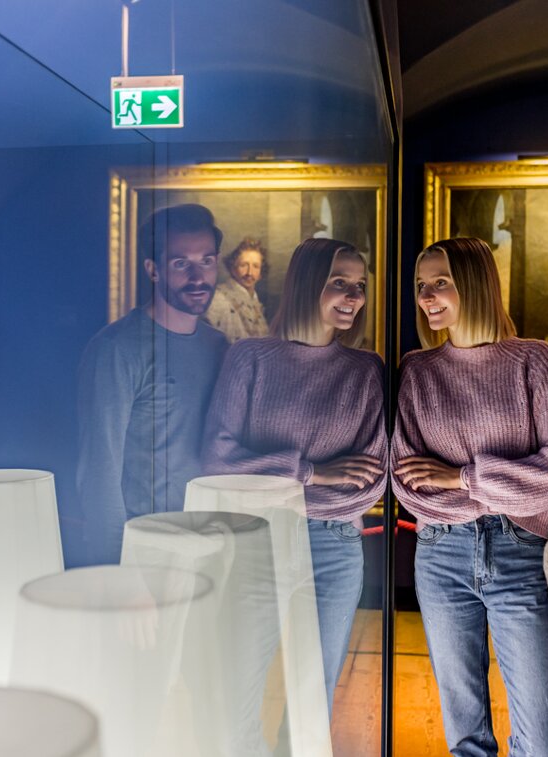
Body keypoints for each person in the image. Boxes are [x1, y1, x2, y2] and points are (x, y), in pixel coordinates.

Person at [391, 237, 548, 756]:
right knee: (465, 732)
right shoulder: (417, 370)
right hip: (440, 553)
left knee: (544, 732)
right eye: (422, 286)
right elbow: (408, 483)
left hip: (520, 553)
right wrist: (504, 489)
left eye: (440, 282)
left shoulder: (535, 361)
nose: (427, 296)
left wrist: (462, 479)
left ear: (476, 281)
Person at [203, 237, 387, 717]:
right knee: (235, 693)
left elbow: (365, 486)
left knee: (313, 700)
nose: (354, 297)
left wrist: (273, 481)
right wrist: (312, 472)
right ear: (308, 284)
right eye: (340, 283)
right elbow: (218, 461)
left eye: (360, 286)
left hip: (335, 549)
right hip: (256, 541)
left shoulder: (367, 370)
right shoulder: (251, 358)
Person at [77, 204, 228, 564]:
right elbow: (100, 468)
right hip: (142, 547)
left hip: (209, 543)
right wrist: (116, 565)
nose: (197, 276)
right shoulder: (117, 349)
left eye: (206, 261)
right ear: (153, 269)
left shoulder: (219, 346)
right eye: (181, 263)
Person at [205, 237, 269, 343]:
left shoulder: (256, 303)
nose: (249, 272)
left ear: (261, 273)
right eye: (243, 265)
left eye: (256, 266)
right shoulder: (217, 299)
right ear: (232, 268)